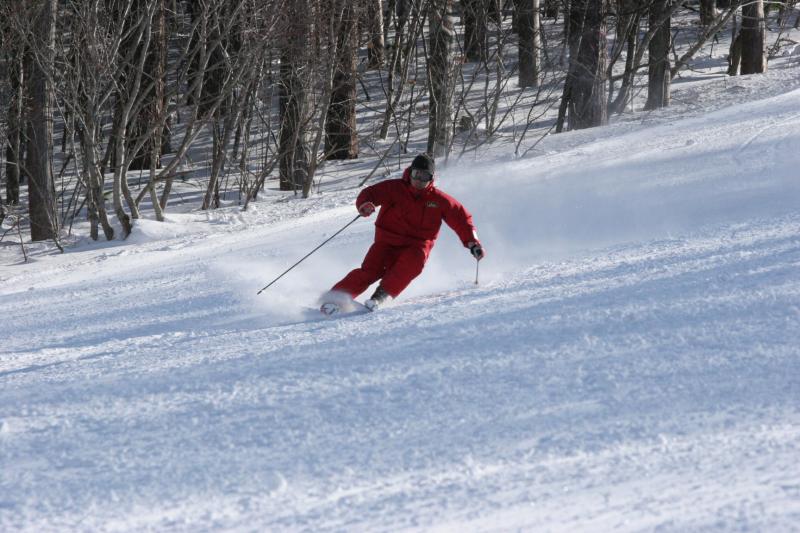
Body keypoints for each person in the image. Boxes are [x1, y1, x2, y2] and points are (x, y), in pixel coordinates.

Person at [320, 153, 484, 315]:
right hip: (386, 242)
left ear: (431, 178)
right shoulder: (394, 189)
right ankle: (335, 298)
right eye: (416, 174)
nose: (419, 180)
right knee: (370, 270)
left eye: (424, 176)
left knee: (413, 262)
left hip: (416, 246)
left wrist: (473, 243)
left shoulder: (439, 200)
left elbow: (462, 219)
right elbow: (370, 194)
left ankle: (380, 297)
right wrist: (365, 204)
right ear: (410, 172)